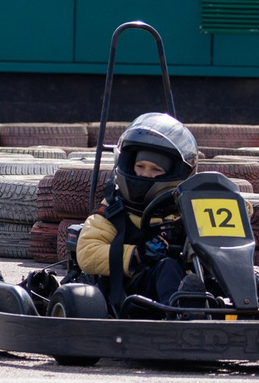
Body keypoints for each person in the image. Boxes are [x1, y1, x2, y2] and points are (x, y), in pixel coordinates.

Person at [75, 113, 200, 304]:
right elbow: (87, 252)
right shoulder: (114, 210)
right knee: (167, 267)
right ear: (128, 164)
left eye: (156, 170)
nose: (145, 175)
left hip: (189, 280)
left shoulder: (184, 209)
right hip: (134, 288)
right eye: (140, 166)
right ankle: (185, 316)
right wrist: (136, 255)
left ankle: (248, 307)